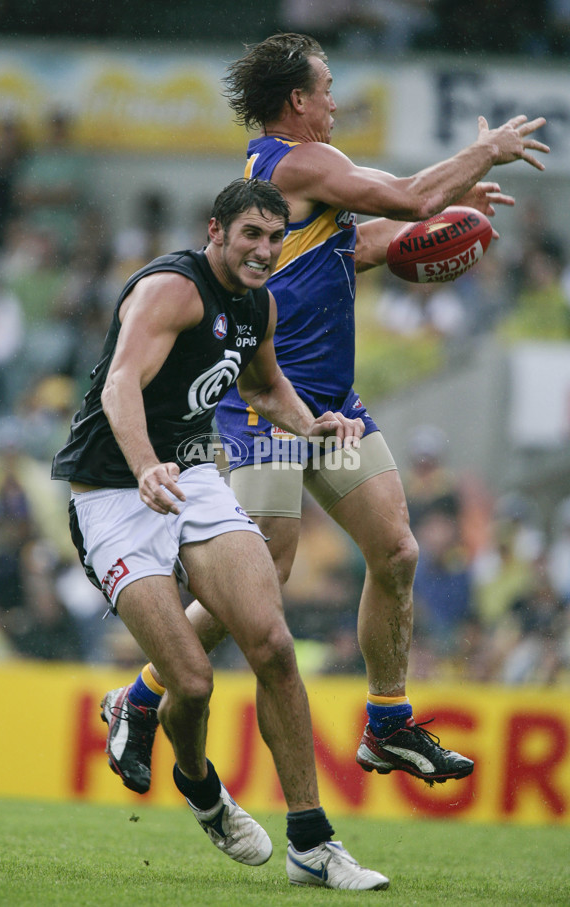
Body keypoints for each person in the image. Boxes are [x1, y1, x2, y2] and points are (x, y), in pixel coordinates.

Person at [101, 34, 547, 793]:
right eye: (328, 87)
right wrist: (488, 154)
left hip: (333, 407)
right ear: (298, 101)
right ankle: (139, 695)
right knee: (261, 581)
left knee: (398, 551)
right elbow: (407, 197)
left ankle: (387, 721)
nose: (336, 100)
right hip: (271, 406)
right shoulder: (298, 162)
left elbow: (365, 242)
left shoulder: (306, 180)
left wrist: (449, 210)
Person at [52, 178, 389, 890]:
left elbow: (264, 388)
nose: (266, 250)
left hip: (193, 476)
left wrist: (313, 423)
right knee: (195, 682)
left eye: (275, 237)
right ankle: (204, 790)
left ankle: (312, 841)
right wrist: (144, 468)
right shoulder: (173, 289)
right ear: (216, 231)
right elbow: (119, 386)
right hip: (114, 493)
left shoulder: (255, 303)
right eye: (252, 237)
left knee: (271, 641)